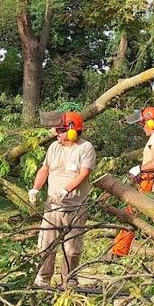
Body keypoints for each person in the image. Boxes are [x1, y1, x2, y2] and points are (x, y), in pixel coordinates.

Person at [28, 111, 96, 287]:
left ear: (72, 130)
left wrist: (66, 190)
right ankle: (42, 280)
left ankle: (69, 281)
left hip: (75, 205)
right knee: (45, 245)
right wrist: (35, 189)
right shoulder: (54, 147)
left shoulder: (85, 148)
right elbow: (45, 169)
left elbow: (84, 173)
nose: (56, 133)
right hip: (52, 205)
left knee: (72, 249)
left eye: (60, 129)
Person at [109, 105, 154, 258]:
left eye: (143, 123)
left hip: (151, 182)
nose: (142, 127)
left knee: (131, 216)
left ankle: (118, 252)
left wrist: (140, 169)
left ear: (151, 122)